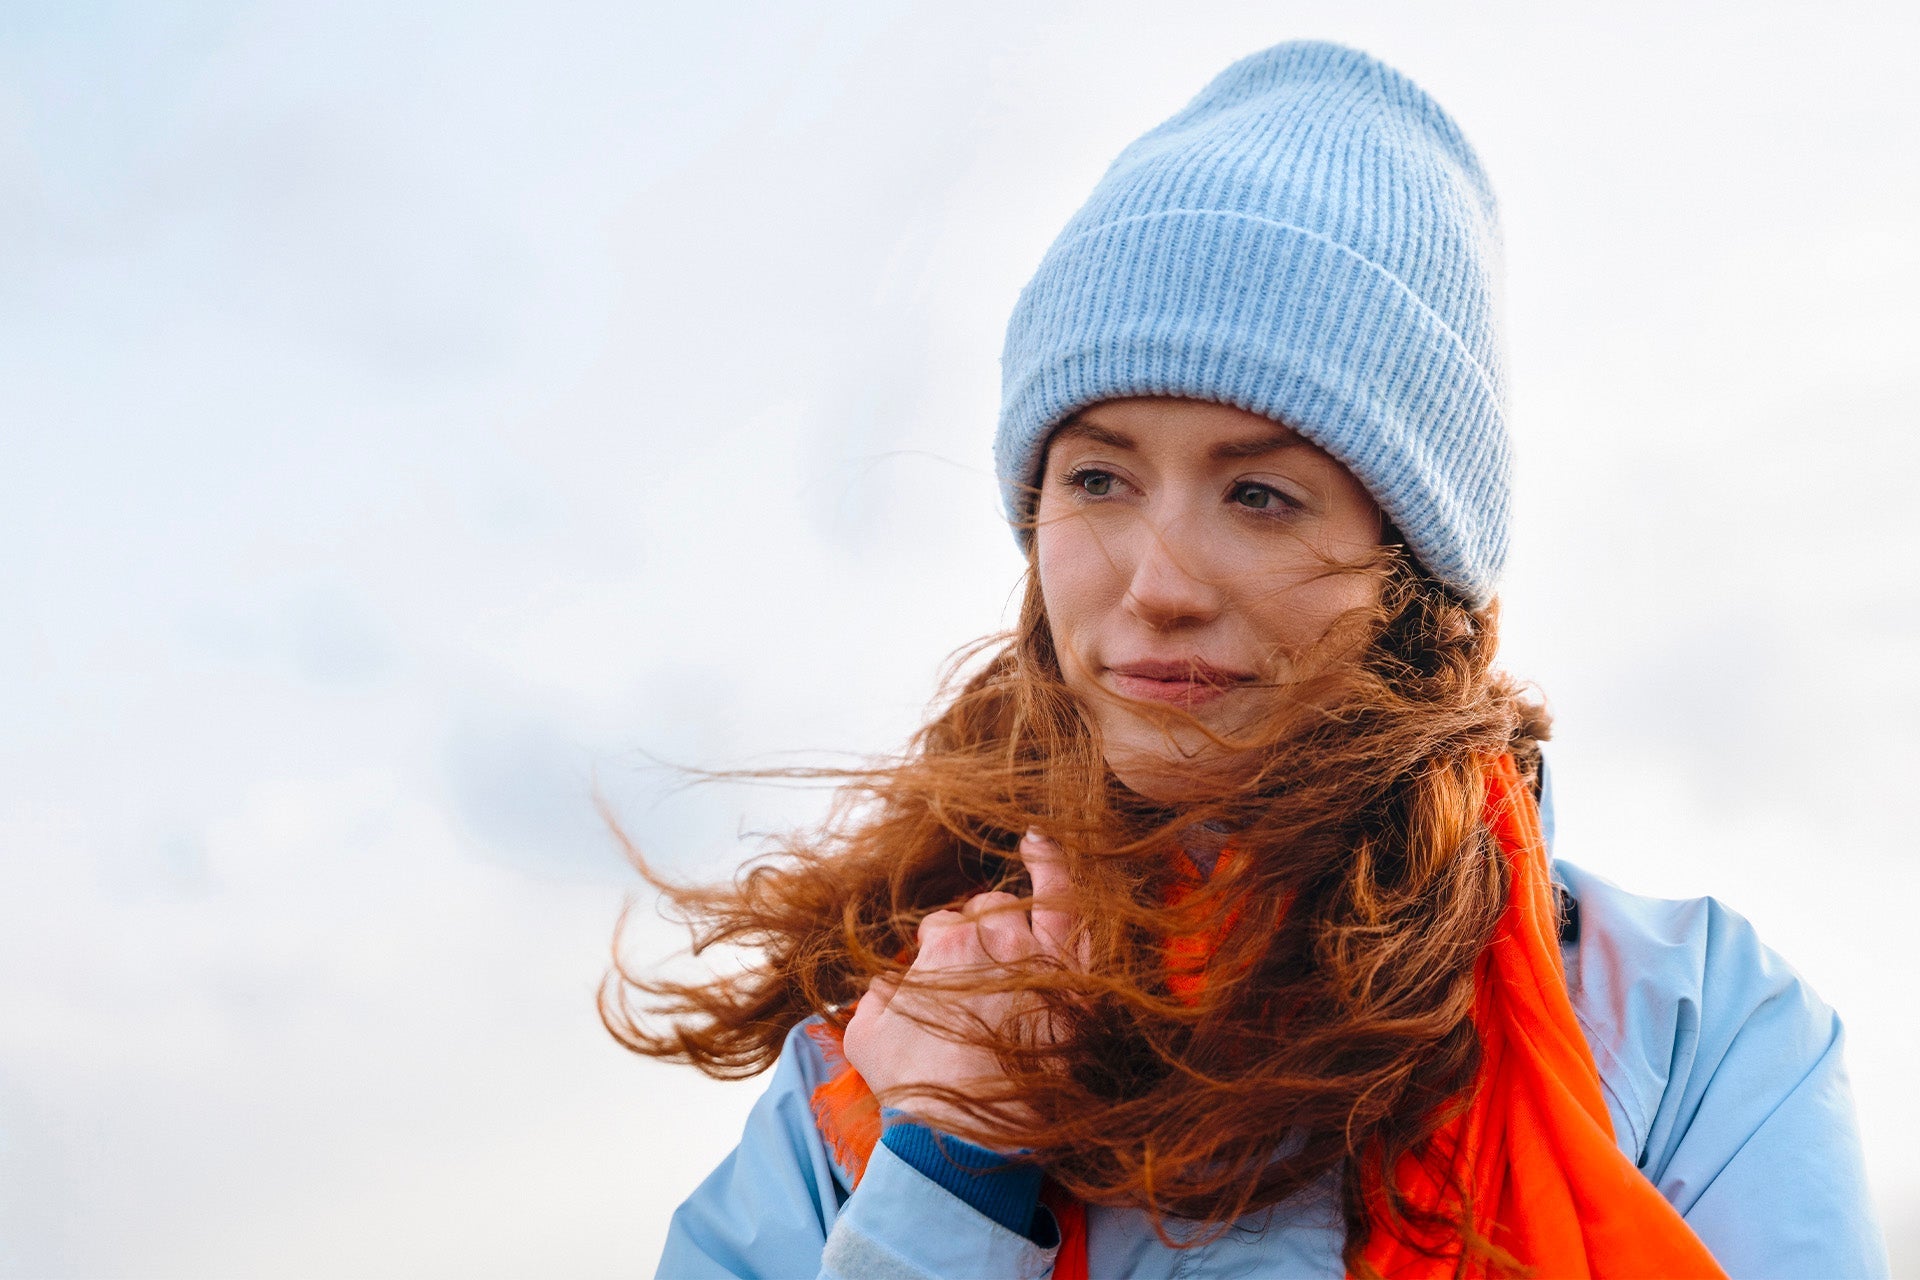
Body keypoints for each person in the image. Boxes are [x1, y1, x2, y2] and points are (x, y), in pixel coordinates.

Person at [605, 40, 1888, 1279]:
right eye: (1098, 478)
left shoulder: (1697, 1032)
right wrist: (949, 1177)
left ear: (1409, 569)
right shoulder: (887, 1045)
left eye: (1261, 495)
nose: (1160, 584)